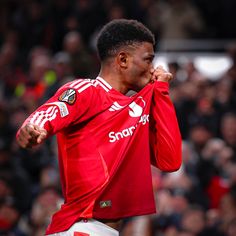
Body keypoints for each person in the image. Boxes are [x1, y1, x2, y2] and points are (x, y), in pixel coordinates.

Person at [16, 19, 182, 236]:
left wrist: (161, 90)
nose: (153, 68)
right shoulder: (87, 90)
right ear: (123, 59)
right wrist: (33, 128)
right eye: (148, 59)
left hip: (103, 230)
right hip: (81, 227)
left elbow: (170, 161)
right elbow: (49, 113)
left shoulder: (136, 107)